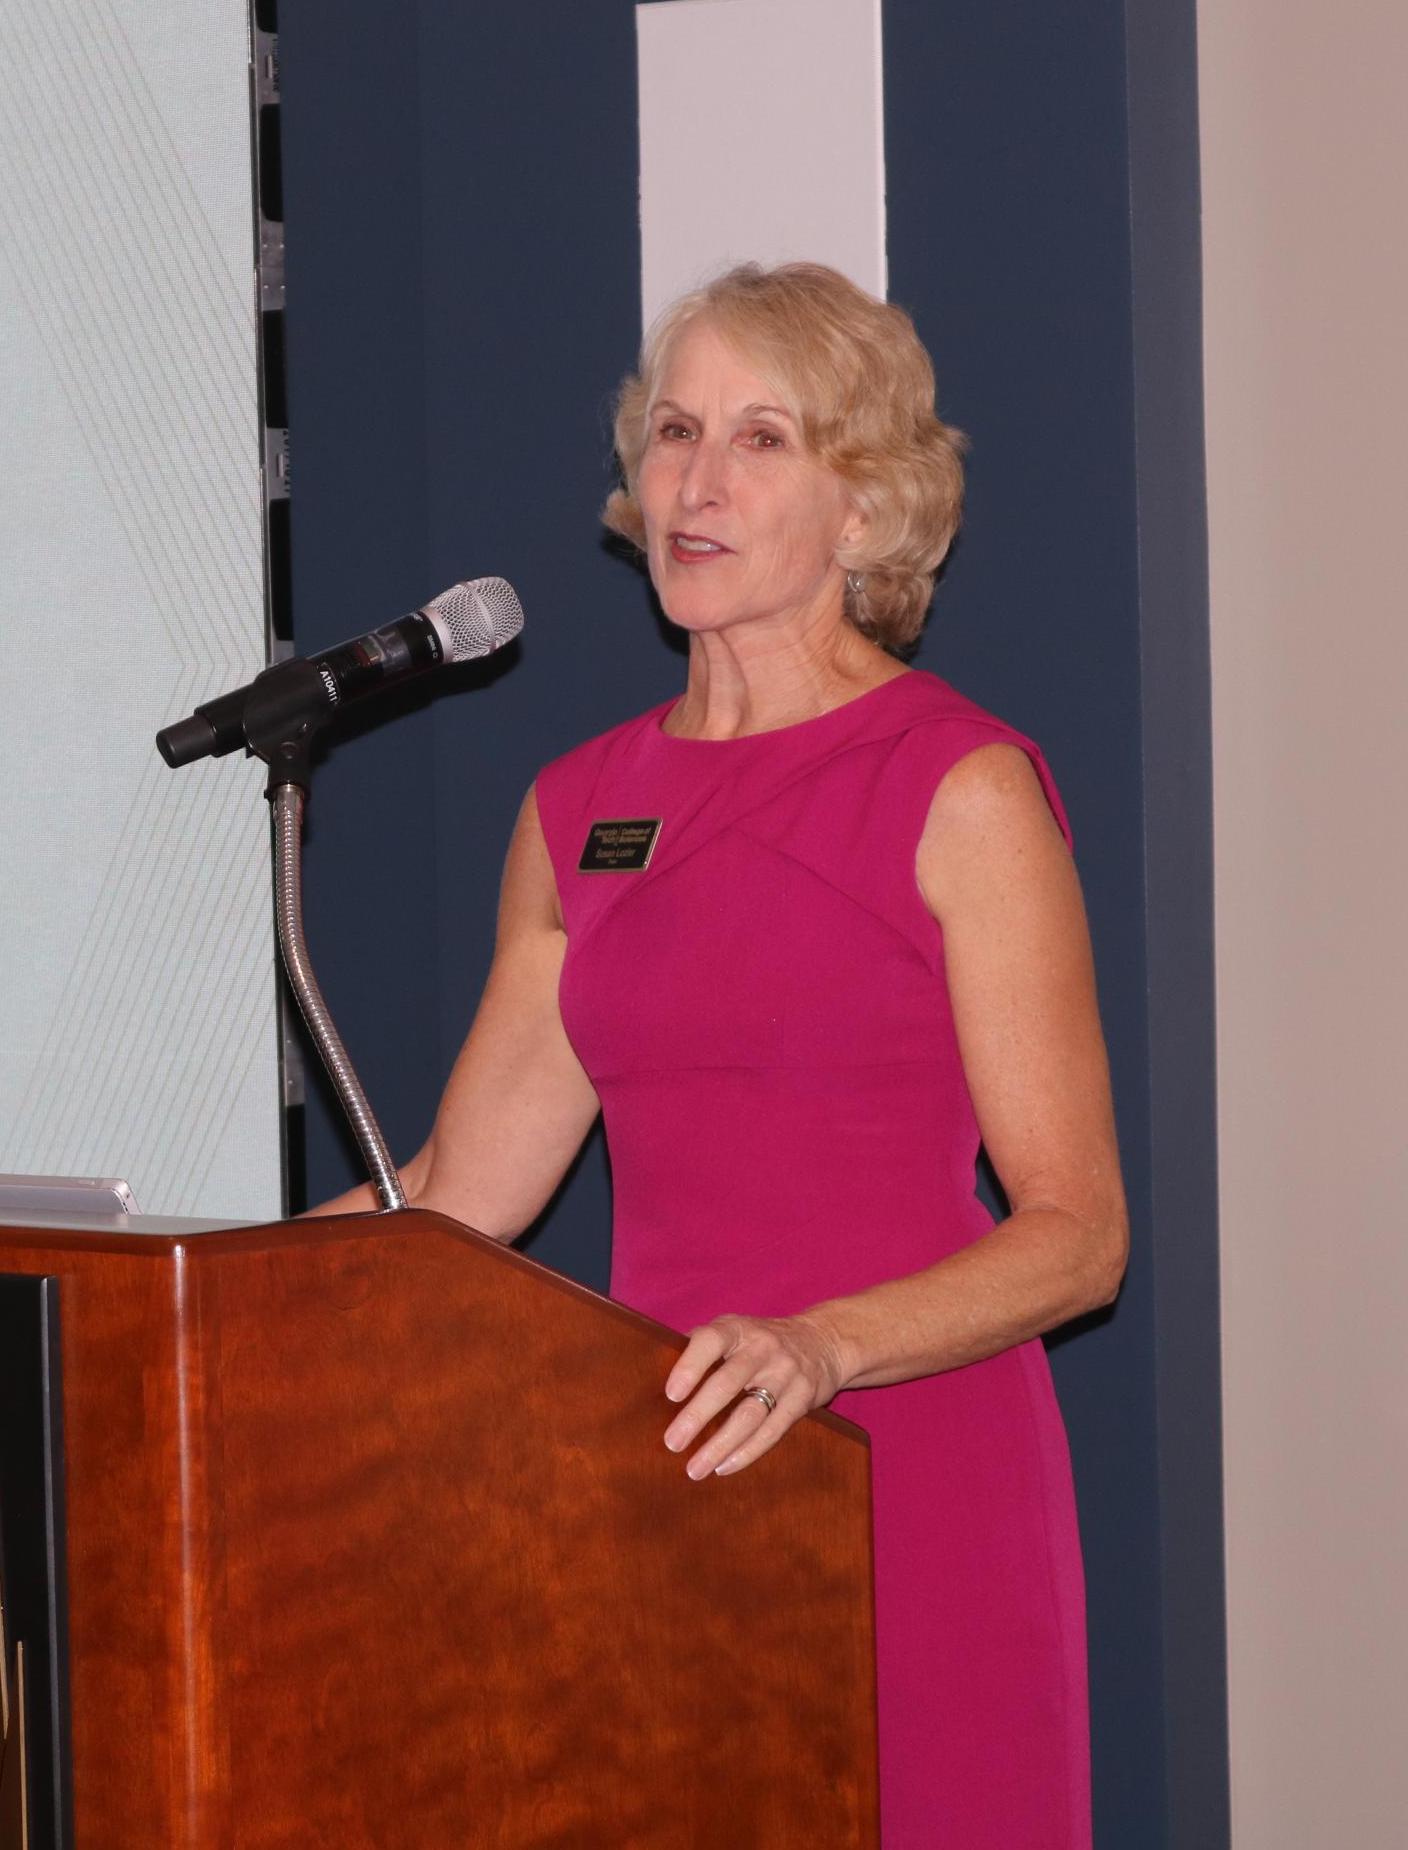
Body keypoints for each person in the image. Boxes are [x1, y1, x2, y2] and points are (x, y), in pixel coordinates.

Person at [322, 262, 1125, 1847]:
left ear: (869, 509)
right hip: (657, 1474)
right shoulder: (577, 808)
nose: (696, 480)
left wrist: (822, 1347)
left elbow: (1080, 1240)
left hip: (905, 1467)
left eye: (763, 438)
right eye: (674, 429)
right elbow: (459, 1198)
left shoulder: (959, 788)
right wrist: (184, 1286)